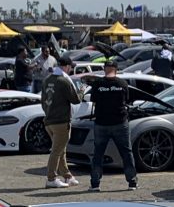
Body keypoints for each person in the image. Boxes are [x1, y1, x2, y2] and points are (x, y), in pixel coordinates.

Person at [86, 61, 138, 191]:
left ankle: (95, 183)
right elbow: (126, 100)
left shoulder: (98, 84)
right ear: (116, 69)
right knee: (126, 152)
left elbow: (93, 100)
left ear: (104, 69)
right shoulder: (122, 84)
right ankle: (132, 182)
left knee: (98, 154)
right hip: (120, 122)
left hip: (101, 123)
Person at [40, 55, 79, 188]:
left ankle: (68, 176)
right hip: (61, 121)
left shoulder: (47, 79)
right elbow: (75, 99)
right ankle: (51, 178)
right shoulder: (63, 81)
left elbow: (43, 101)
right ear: (67, 66)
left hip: (49, 120)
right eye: (70, 67)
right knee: (57, 151)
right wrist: (81, 91)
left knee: (60, 150)